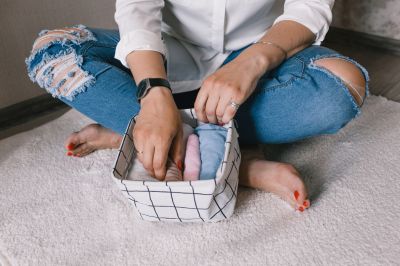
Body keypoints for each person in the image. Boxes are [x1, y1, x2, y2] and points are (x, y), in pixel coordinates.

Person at [25, 0, 369, 212]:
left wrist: (253, 61)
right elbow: (137, 8)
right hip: (164, 55)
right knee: (51, 52)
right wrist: (152, 91)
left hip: (256, 56)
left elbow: (310, 8)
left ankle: (136, 130)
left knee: (343, 84)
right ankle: (232, 156)